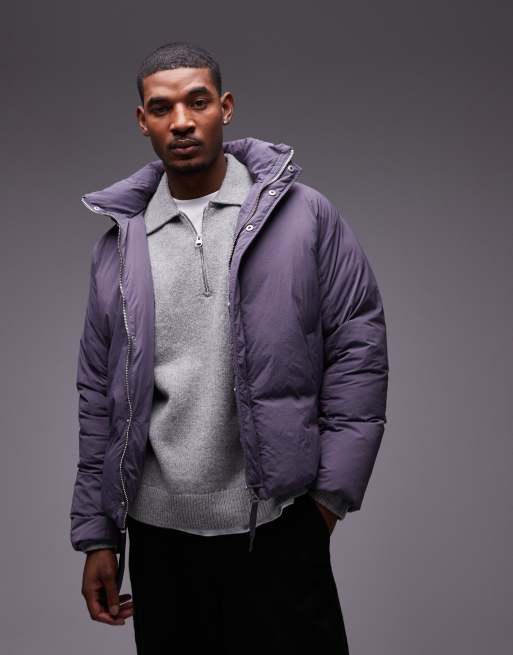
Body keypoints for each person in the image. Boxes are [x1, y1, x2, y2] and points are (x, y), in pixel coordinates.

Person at [70, 41, 389, 654]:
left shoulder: (305, 217)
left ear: (226, 107)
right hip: (159, 539)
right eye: (161, 108)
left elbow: (359, 350)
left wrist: (327, 501)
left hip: (278, 525)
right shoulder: (119, 247)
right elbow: (96, 395)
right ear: (142, 121)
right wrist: (99, 535)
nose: (182, 121)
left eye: (198, 102)